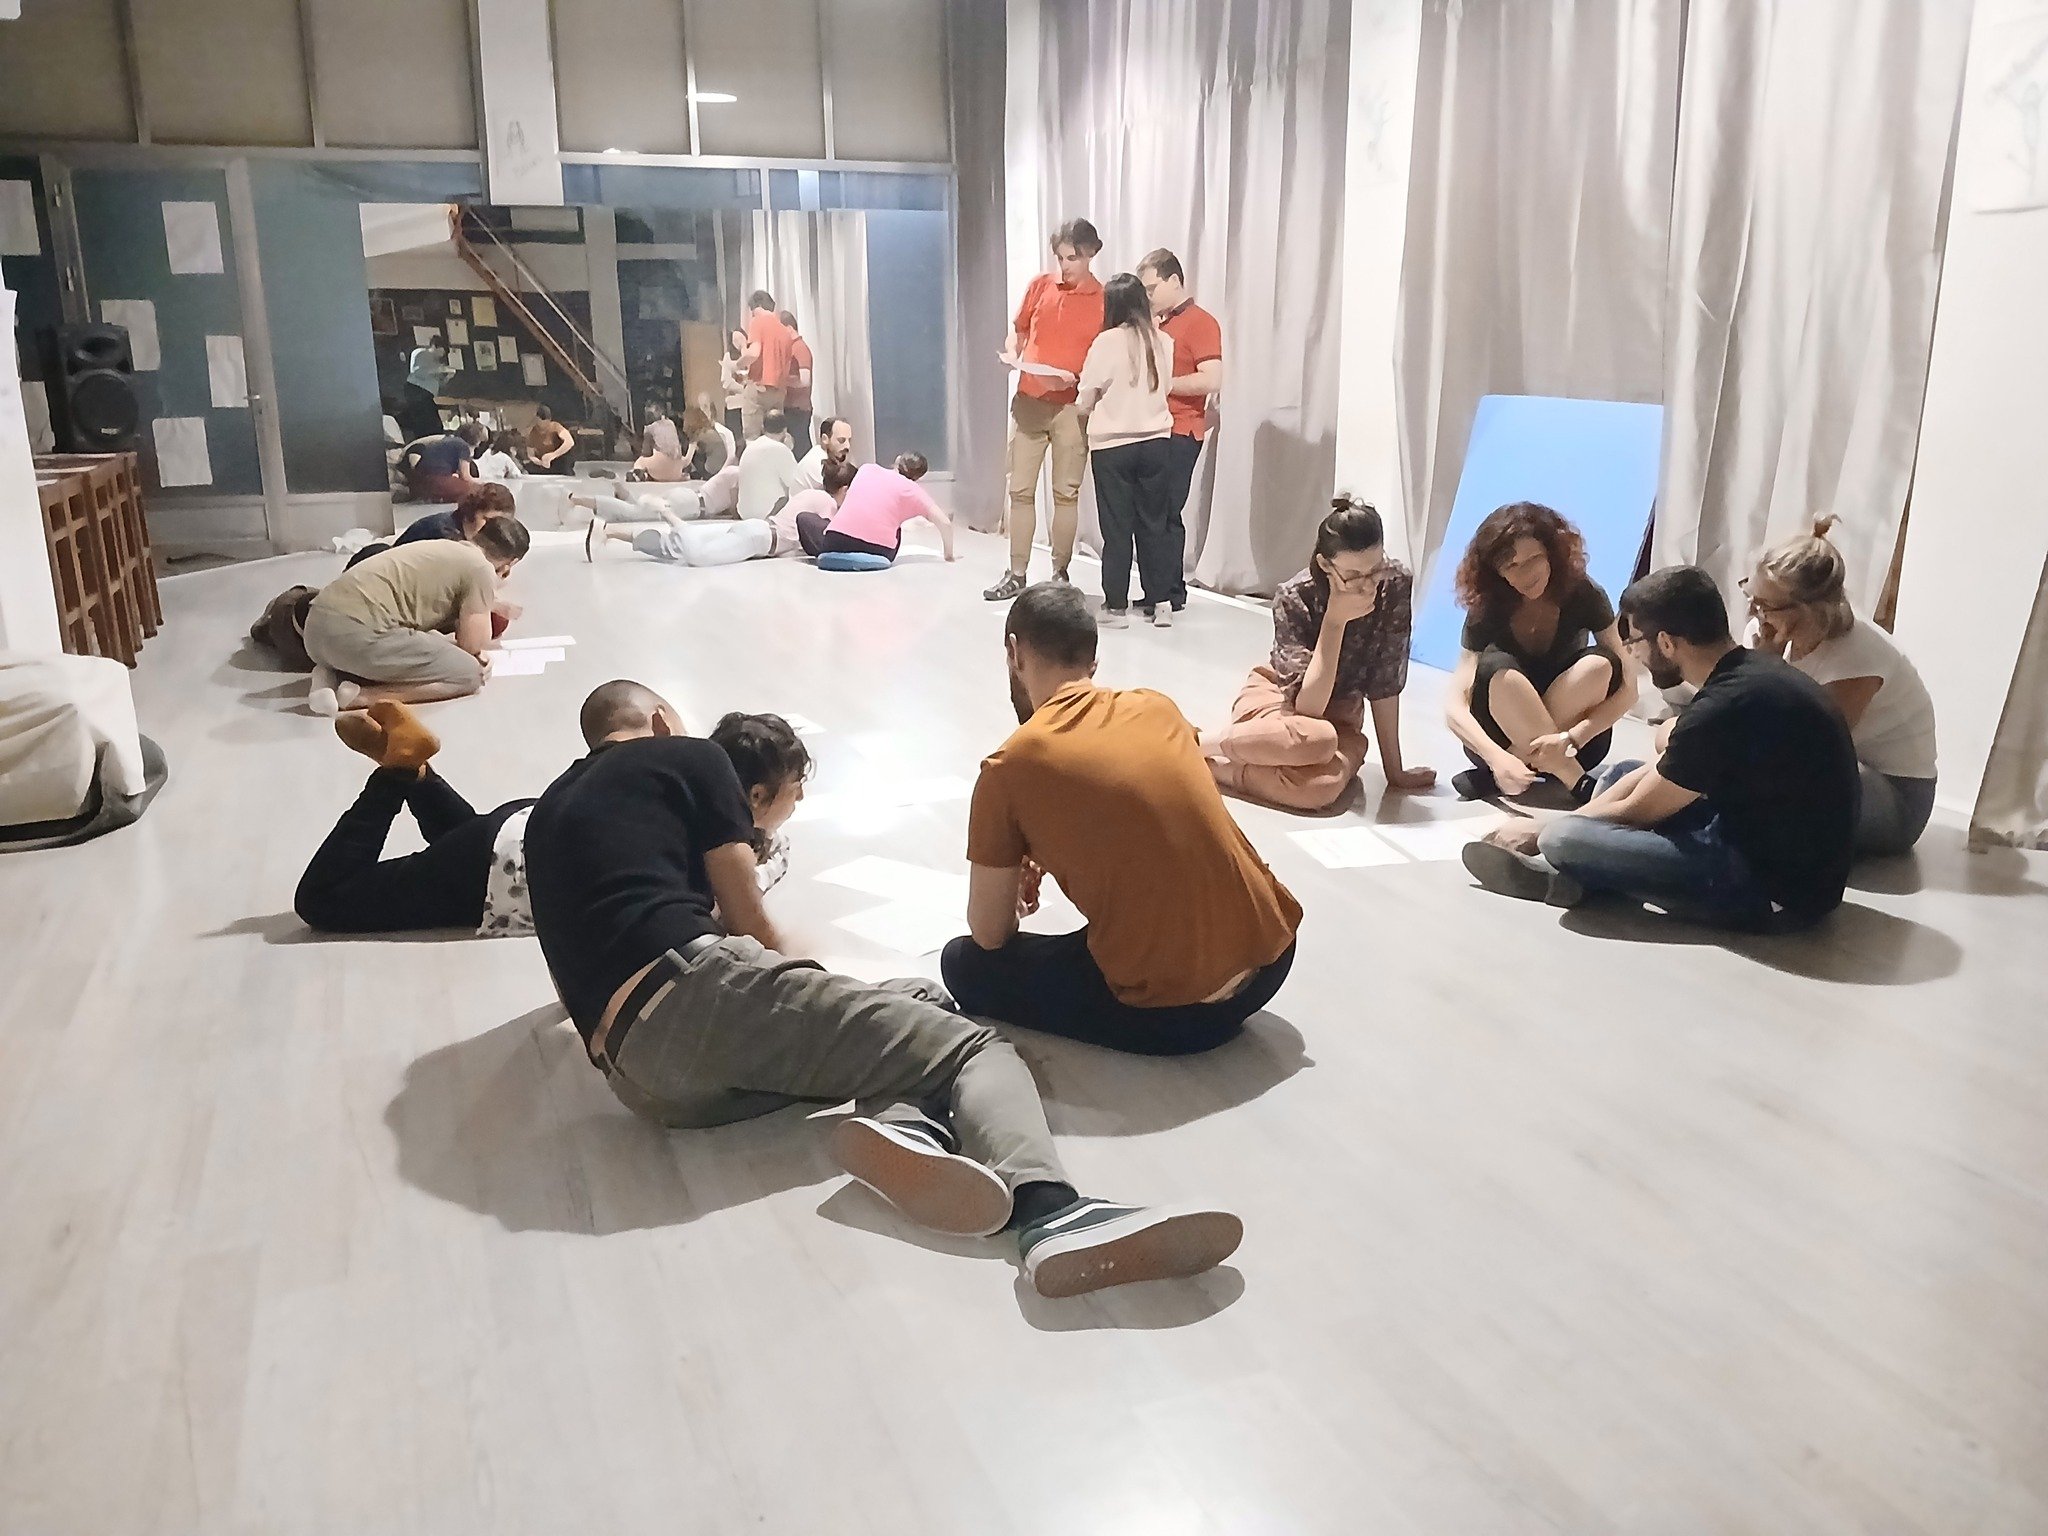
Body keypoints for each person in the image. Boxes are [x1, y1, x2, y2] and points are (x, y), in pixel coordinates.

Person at [523, 678, 1244, 1298]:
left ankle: (904, 1129)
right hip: (696, 993)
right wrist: (806, 976)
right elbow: (750, 928)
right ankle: (1051, 1211)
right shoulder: (690, 756)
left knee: (914, 1000)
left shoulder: (545, 815)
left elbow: (565, 984)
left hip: (644, 1087)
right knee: (973, 1049)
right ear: (659, 721)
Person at [942, 583, 1301, 1055]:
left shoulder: (1007, 768)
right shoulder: (1157, 707)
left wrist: (1013, 887)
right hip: (1273, 958)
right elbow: (1148, 814)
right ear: (1093, 660)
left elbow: (991, 936)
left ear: (1013, 651)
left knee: (963, 963)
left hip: (1178, 1015)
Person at [1463, 565, 1861, 932]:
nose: (1633, 653)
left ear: (1667, 643)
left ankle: (1573, 873)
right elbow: (1656, 773)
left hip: (1773, 889)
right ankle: (1583, 873)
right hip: (1761, 838)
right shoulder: (1748, 674)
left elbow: (1639, 810)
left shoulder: (1722, 707)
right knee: (1622, 774)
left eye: (1635, 641)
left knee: (1563, 839)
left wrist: (1541, 829)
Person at [293, 696, 798, 938]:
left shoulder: (671, 784)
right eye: (795, 792)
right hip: (503, 875)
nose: (798, 804)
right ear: (756, 795)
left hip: (522, 828)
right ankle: (398, 772)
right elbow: (739, 909)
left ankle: (418, 773)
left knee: (459, 840)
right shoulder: (725, 843)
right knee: (324, 901)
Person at [1203, 497, 1436, 810]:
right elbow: (1307, 707)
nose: (1368, 586)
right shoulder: (1295, 595)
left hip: (1340, 718)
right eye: (1353, 575)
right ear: (1326, 565)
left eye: (1375, 570)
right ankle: (1195, 744)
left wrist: (1395, 772)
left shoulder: (1393, 584)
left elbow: (1385, 682)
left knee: (1319, 786)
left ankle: (1219, 769)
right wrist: (1335, 621)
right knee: (1316, 738)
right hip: (1279, 698)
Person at [1744, 516, 1937, 855]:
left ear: (1808, 609)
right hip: (1828, 772)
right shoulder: (1767, 632)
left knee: (1758, 784)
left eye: (1765, 605)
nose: (1752, 611)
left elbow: (1809, 748)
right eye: (1750, 594)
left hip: (1894, 794)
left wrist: (1766, 671)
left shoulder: (1858, 656)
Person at [1444, 501, 1639, 802]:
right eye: (1511, 566)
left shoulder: (1584, 593)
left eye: (1534, 558)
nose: (1527, 574)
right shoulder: (1488, 606)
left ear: (1552, 553)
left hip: (1576, 742)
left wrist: (1573, 737)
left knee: (1601, 665)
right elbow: (1455, 704)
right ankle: (1576, 781)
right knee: (1497, 668)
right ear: (1496, 572)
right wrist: (1495, 756)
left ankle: (1504, 773)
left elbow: (1629, 688)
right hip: (1501, 733)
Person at [987, 218, 1106, 602]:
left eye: (1073, 258)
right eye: (1061, 258)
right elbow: (1020, 329)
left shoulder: (1103, 299)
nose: (1065, 266)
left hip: (1071, 405)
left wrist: (1077, 379)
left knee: (1065, 492)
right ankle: (1016, 572)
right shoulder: (1041, 285)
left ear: (1091, 254)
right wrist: (1013, 353)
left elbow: (1105, 357)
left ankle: (1060, 572)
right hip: (1030, 399)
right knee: (1020, 489)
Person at [303, 516, 529, 716]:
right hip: (354, 635)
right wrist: (478, 653)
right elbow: (472, 645)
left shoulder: (442, 546)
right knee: (469, 674)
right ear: (511, 563)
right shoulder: (481, 568)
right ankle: (360, 697)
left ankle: (328, 675)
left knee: (422, 644)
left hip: (314, 631)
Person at [1076, 272, 1176, 628]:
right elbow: (1165, 388)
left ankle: (1116, 607)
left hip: (1113, 445)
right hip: (1157, 441)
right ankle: (1160, 603)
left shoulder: (1106, 342)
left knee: (1117, 527)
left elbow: (1086, 395)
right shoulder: (1163, 341)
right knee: (1155, 523)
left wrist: (1084, 405)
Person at [1138, 248, 1221, 616]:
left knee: (1166, 511)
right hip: (1152, 428)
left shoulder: (1200, 322)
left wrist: (1163, 382)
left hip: (1181, 429)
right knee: (1149, 512)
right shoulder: (1157, 324)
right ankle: (1156, 589)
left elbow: (1212, 379)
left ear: (1174, 281)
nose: (1148, 297)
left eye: (1152, 288)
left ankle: (1171, 590)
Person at [577, 459, 823, 567]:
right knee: (691, 551)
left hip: (691, 498)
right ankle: (664, 513)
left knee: (671, 546)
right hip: (695, 505)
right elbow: (734, 503)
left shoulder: (731, 471)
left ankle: (609, 530)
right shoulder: (737, 474)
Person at [795, 454, 955, 564]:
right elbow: (945, 523)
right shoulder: (914, 489)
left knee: (804, 518)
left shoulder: (867, 469)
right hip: (880, 551)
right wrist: (949, 556)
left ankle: (829, 553)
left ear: (897, 460)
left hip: (837, 542)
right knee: (895, 524)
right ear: (918, 477)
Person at [344, 482, 517, 571]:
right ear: (472, 511)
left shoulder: (460, 527)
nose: (495, 528)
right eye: (487, 519)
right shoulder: (446, 535)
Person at [737, 291, 795, 442]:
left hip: (759, 388)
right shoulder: (784, 331)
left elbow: (753, 354)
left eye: (752, 311)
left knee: (752, 438)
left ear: (757, 306)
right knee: (776, 435)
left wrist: (740, 356)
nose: (752, 315)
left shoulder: (758, 322)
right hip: (778, 391)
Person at [736, 408, 802, 521]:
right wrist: (788, 449)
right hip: (768, 514)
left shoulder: (750, 447)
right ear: (785, 430)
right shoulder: (780, 449)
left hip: (745, 514)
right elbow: (795, 484)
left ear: (763, 428)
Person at [401, 421, 487, 503]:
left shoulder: (447, 440)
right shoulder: (463, 447)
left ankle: (436, 496)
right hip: (436, 480)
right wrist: (482, 483)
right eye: (479, 442)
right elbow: (466, 477)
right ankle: (440, 496)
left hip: (421, 479)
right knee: (475, 490)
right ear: (475, 440)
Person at [400, 337, 455, 442]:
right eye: (442, 351)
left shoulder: (436, 363)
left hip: (427, 395)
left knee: (432, 424)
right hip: (417, 391)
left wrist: (447, 377)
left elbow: (439, 383)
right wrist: (439, 370)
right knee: (428, 424)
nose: (442, 355)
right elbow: (418, 372)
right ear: (435, 346)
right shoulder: (421, 353)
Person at [780, 308, 814, 449]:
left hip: (798, 408)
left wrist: (782, 380)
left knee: (800, 446)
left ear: (789, 328)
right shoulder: (791, 348)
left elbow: (805, 380)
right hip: (791, 407)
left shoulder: (800, 348)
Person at [791, 415, 853, 492]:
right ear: (825, 439)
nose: (847, 446)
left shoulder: (831, 458)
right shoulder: (816, 462)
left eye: (849, 440)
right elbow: (836, 493)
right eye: (841, 440)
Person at [633, 417, 690, 482]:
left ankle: (643, 474)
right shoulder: (671, 424)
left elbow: (646, 453)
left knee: (640, 461)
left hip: (658, 471)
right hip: (676, 472)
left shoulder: (649, 428)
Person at [681, 405, 728, 479]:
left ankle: (698, 475)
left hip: (711, 470)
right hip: (724, 466)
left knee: (690, 449)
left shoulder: (696, 436)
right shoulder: (711, 431)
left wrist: (675, 462)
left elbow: (687, 460)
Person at [526, 406, 576, 474]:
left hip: (558, 461)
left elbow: (570, 442)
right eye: (542, 421)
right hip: (542, 463)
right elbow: (530, 454)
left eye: (547, 421)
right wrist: (538, 461)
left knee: (565, 465)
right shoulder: (533, 432)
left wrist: (553, 455)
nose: (545, 424)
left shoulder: (555, 426)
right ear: (537, 419)